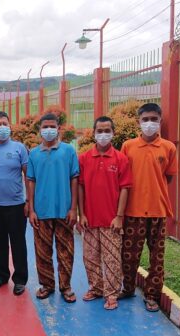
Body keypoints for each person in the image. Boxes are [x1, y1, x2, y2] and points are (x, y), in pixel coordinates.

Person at [119, 103, 178, 312]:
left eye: (154, 119)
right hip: (133, 211)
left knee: (157, 258)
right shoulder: (128, 146)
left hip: (158, 211)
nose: (149, 123)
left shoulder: (169, 148)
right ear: (139, 122)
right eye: (145, 119)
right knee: (129, 254)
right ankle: (127, 288)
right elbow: (122, 178)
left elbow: (168, 177)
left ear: (160, 121)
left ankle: (152, 296)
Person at [77, 116, 132, 310]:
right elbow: (80, 187)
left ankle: (111, 294)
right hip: (89, 219)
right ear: (93, 133)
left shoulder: (121, 159)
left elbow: (125, 188)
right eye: (99, 131)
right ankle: (96, 288)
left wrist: (119, 216)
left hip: (111, 221)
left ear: (113, 133)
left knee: (112, 259)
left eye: (107, 130)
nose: (103, 134)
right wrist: (81, 214)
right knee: (89, 257)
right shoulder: (83, 158)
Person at [26, 113, 80, 303]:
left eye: (52, 126)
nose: (49, 130)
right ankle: (47, 285)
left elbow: (74, 178)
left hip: (64, 211)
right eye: (45, 127)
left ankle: (66, 287)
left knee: (66, 252)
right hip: (41, 212)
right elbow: (30, 181)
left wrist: (73, 208)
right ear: (40, 130)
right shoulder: (33, 153)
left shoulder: (68, 151)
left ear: (58, 129)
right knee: (42, 252)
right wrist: (31, 210)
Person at [0, 111, 29, 295]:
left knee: (18, 243)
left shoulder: (19, 148)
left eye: (5, 123)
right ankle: (1, 275)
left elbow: (28, 176)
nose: (3, 127)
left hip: (16, 205)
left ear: (10, 126)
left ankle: (20, 279)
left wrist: (28, 201)